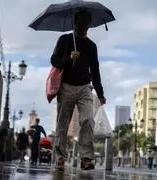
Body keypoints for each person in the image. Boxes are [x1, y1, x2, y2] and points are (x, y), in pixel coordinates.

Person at [51, 9, 106, 171]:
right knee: (62, 123)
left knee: (88, 120)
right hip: (66, 86)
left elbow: (95, 71)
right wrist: (68, 58)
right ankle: (60, 158)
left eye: (85, 23)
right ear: (74, 23)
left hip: (84, 87)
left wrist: (101, 94)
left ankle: (86, 158)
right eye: (79, 22)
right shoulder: (65, 40)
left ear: (89, 25)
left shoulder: (91, 46)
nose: (81, 25)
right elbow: (54, 61)